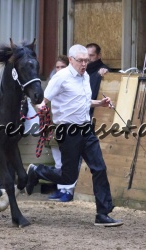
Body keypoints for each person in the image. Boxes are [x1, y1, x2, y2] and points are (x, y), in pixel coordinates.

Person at [26, 44, 123, 227]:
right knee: (68, 177)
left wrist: (100, 103)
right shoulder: (60, 78)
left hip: (86, 129)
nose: (85, 64)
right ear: (71, 60)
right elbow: (43, 101)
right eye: (81, 61)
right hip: (68, 131)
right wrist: (42, 107)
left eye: (87, 60)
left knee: (99, 168)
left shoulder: (85, 76)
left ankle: (103, 213)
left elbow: (84, 102)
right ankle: (37, 171)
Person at [47, 55, 80, 203]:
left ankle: (69, 190)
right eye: (57, 67)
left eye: (62, 67)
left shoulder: (73, 82)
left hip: (69, 124)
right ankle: (61, 188)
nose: (59, 69)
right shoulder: (53, 83)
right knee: (58, 159)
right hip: (55, 125)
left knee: (70, 160)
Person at [86, 43, 110, 118]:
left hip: (96, 113)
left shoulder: (103, 70)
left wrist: (106, 73)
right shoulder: (83, 70)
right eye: (87, 55)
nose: (88, 58)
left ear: (99, 55)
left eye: (91, 55)